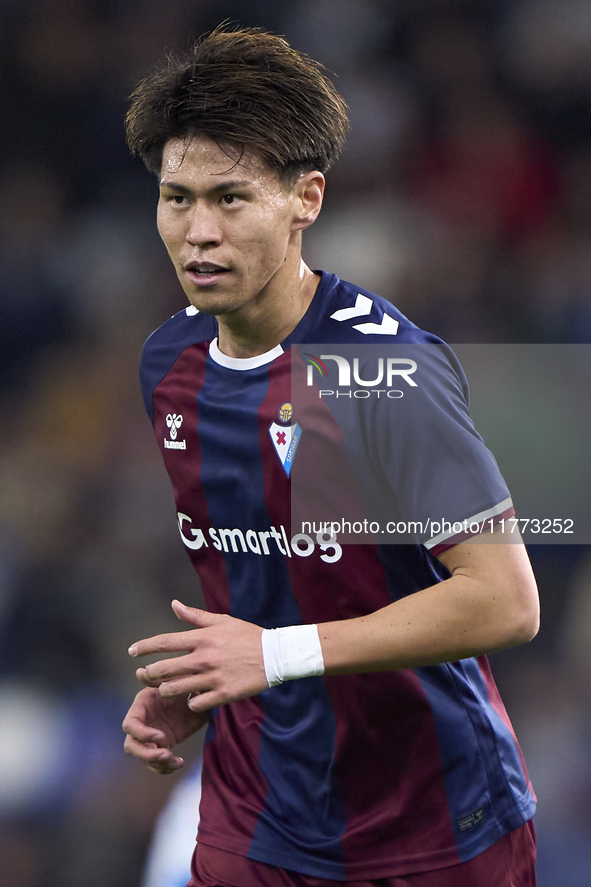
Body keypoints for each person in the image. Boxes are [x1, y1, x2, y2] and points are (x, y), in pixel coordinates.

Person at [122, 26, 539, 887]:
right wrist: (204, 684)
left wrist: (269, 656)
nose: (198, 231)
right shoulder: (170, 365)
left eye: (230, 198)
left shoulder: (375, 373)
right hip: (257, 817)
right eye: (176, 197)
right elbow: (272, 582)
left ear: (304, 198)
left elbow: (503, 601)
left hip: (432, 824)